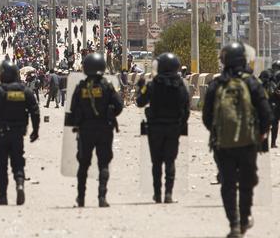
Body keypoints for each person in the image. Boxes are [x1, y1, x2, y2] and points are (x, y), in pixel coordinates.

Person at [202, 42, 272, 237]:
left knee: (228, 183)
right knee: (247, 182)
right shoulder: (251, 83)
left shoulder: (216, 84)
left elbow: (207, 117)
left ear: (224, 61)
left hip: (222, 144)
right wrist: (260, 133)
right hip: (248, 142)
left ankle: (233, 222)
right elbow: (266, 113)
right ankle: (244, 219)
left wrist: (218, 132)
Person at [68, 53, 123, 208]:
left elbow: (73, 110)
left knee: (83, 164)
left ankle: (81, 198)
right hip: (104, 129)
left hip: (85, 130)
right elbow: (119, 105)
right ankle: (101, 197)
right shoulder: (107, 86)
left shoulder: (81, 87)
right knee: (103, 164)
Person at [0, 60, 40, 205]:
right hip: (18, 133)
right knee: (18, 161)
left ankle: (3, 196)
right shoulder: (24, 91)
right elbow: (35, 111)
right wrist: (35, 130)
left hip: (1, 133)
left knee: (1, 165)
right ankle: (20, 184)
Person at [136, 53, 190, 204]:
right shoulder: (180, 85)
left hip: (155, 128)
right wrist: (179, 124)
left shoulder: (153, 85)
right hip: (173, 128)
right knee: (170, 162)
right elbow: (186, 109)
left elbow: (140, 102)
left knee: (157, 162)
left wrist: (141, 88)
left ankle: (157, 194)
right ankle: (168, 194)